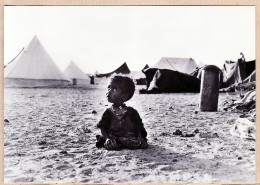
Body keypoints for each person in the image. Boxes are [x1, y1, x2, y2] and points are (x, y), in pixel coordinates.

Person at [96, 75, 148, 150]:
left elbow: (139, 127)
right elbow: (102, 128)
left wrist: (140, 138)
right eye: (109, 87)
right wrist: (107, 138)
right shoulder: (108, 112)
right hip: (114, 138)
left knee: (137, 142)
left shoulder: (132, 112)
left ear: (124, 96)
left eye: (113, 89)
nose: (109, 91)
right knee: (109, 142)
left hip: (129, 138)